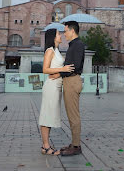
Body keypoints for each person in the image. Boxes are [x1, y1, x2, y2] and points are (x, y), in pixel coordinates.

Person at [49, 21, 84, 156]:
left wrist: (58, 73)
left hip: (72, 81)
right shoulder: (73, 45)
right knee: (71, 114)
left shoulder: (78, 45)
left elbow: (73, 67)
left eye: (65, 31)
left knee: (73, 115)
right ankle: (74, 143)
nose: (64, 34)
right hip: (69, 81)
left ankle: (76, 146)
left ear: (72, 31)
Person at [38, 28, 75, 156]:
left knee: (50, 116)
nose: (61, 36)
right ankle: (46, 146)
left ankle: (45, 145)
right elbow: (45, 69)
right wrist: (62, 69)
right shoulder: (50, 50)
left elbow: (55, 71)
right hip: (51, 87)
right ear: (53, 37)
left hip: (57, 85)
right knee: (46, 116)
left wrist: (59, 73)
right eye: (59, 34)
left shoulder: (57, 50)